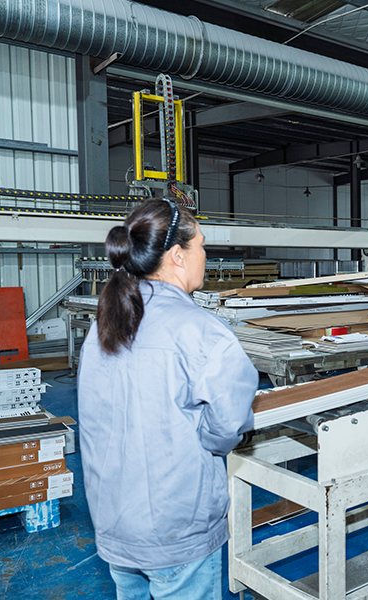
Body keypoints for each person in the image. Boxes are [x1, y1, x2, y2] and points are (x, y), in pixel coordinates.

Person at [78, 199, 258, 599]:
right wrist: (204, 440)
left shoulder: (104, 326)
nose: (205, 257)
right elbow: (229, 424)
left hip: (115, 518)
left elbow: (93, 416)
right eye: (202, 246)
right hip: (175, 524)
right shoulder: (200, 330)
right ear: (178, 255)